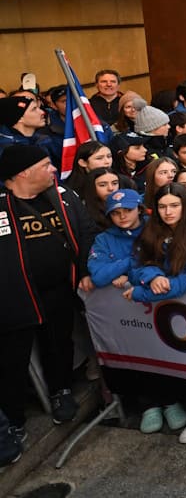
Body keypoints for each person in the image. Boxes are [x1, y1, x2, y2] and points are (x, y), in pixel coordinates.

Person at [0, 145, 93, 434]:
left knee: (59, 344)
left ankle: (61, 391)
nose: (53, 169)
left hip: (58, 290)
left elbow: (86, 232)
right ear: (24, 173)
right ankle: (13, 421)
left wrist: (85, 271)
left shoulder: (63, 196)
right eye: (45, 165)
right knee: (12, 361)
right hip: (14, 298)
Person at [124, 183, 186, 433]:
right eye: (162, 206)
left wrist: (140, 293)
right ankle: (164, 403)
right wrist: (152, 276)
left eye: (174, 206)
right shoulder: (151, 228)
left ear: (185, 206)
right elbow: (137, 265)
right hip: (161, 309)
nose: (168, 212)